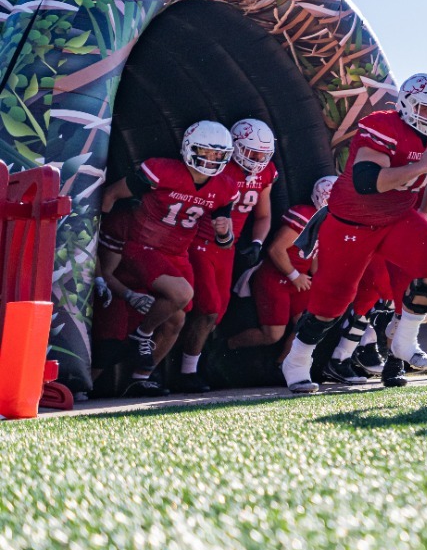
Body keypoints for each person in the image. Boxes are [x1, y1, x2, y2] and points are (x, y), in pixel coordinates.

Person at [277, 74, 427, 394]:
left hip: (397, 217)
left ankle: (404, 342)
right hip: (351, 223)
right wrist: (421, 167)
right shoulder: (382, 126)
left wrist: (425, 214)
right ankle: (297, 360)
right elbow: (367, 181)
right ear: (408, 104)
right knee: (331, 304)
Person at [94, 121, 240, 395]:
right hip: (142, 245)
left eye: (218, 155)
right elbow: (111, 194)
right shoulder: (163, 172)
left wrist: (223, 234)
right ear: (188, 148)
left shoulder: (225, 187)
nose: (211, 160)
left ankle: (140, 378)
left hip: (178, 253)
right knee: (182, 293)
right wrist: (92, 233)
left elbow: (226, 240)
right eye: (205, 152)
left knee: (177, 321)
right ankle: (142, 335)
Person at [177, 118, 276, 391]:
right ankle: (186, 372)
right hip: (199, 240)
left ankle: (197, 365)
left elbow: (263, 215)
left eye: (262, 154)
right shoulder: (218, 166)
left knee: (217, 314)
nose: (257, 160)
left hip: (227, 247)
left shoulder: (266, 174)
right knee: (207, 309)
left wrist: (256, 242)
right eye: (252, 152)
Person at [230, 174, 335, 351]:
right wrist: (294, 276)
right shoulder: (305, 216)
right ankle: (223, 347)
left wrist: (322, 281)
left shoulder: (325, 222)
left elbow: (314, 255)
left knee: (307, 325)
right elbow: (276, 249)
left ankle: (284, 367)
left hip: (299, 280)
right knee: (272, 335)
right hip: (277, 277)